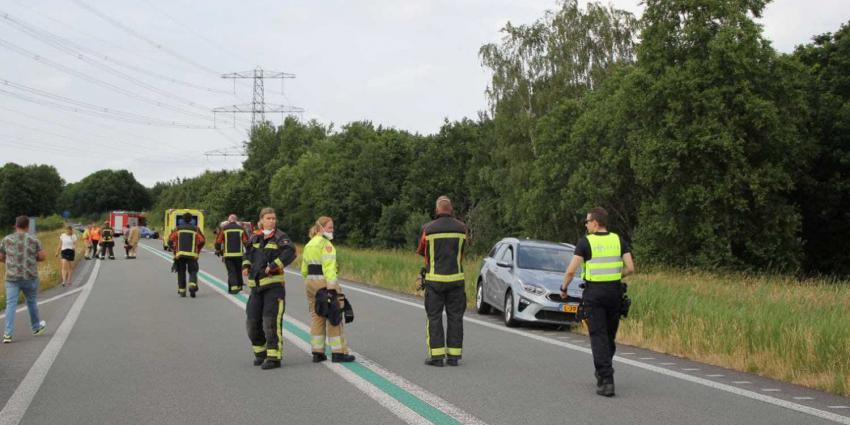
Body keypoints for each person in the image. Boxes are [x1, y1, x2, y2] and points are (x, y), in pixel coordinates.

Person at [560, 207, 635, 397]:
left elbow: (570, 271)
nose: (586, 225)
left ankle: (606, 380)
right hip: (614, 293)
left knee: (598, 336)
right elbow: (631, 268)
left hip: (595, 294)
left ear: (595, 222)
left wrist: (563, 288)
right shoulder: (618, 240)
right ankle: (604, 369)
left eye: (587, 221)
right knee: (609, 336)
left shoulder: (586, 242)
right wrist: (617, 275)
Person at [416, 196, 469, 367]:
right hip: (456, 280)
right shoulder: (462, 228)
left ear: (437, 210)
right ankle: (453, 356)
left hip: (434, 280)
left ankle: (437, 357)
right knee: (455, 317)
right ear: (451, 209)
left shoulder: (428, 228)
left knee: (434, 317)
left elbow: (421, 251)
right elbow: (463, 249)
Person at [242, 207, 296, 370]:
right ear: (261, 220)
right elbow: (247, 253)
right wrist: (245, 265)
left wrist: (273, 266)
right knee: (252, 323)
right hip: (256, 288)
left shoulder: (281, 237)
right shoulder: (255, 237)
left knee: (270, 323)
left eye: (274, 218)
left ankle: (274, 357)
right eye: (268, 218)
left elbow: (290, 253)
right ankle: (261, 353)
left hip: (274, 288)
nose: (272, 221)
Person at [301, 216, 355, 363]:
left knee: (316, 316)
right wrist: (332, 289)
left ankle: (317, 352)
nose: (333, 230)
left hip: (310, 284)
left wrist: (310, 281)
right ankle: (338, 353)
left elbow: (304, 270)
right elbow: (330, 268)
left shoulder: (309, 244)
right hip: (324, 283)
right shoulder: (326, 245)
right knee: (334, 316)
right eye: (330, 227)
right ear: (321, 227)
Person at [0, 216, 47, 343]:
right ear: (27, 226)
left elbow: (1, 257)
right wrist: (32, 258)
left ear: (16, 225)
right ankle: (36, 327)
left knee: (10, 305)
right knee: (31, 302)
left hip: (11, 277)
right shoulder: (34, 239)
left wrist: (9, 261)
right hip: (30, 277)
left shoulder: (6, 239)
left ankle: (7, 334)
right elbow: (42, 257)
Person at [168, 212, 205, 298]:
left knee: (181, 272)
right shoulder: (196, 229)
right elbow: (202, 240)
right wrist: (197, 250)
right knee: (193, 271)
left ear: (183, 219)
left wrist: (174, 250)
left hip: (180, 255)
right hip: (192, 255)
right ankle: (192, 285)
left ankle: (182, 291)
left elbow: (170, 240)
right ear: (191, 219)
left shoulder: (178, 229)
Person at [215, 214, 248, 294]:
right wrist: (248, 252)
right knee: (238, 270)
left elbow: (218, 241)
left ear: (228, 220)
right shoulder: (241, 229)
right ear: (236, 220)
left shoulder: (224, 229)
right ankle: (239, 286)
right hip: (239, 254)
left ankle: (233, 288)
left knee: (231, 271)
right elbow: (246, 241)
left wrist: (218, 250)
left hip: (228, 254)